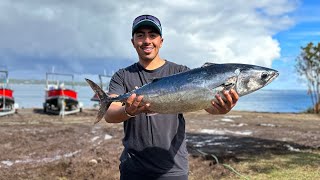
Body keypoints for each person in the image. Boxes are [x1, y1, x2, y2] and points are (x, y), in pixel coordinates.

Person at [105, 15, 239, 180]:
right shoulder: (122, 76)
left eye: (152, 35)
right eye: (140, 35)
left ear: (161, 41)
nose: (147, 40)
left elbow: (206, 104)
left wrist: (221, 109)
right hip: (133, 168)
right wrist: (129, 111)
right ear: (133, 42)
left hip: (173, 169)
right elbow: (110, 114)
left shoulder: (182, 72)